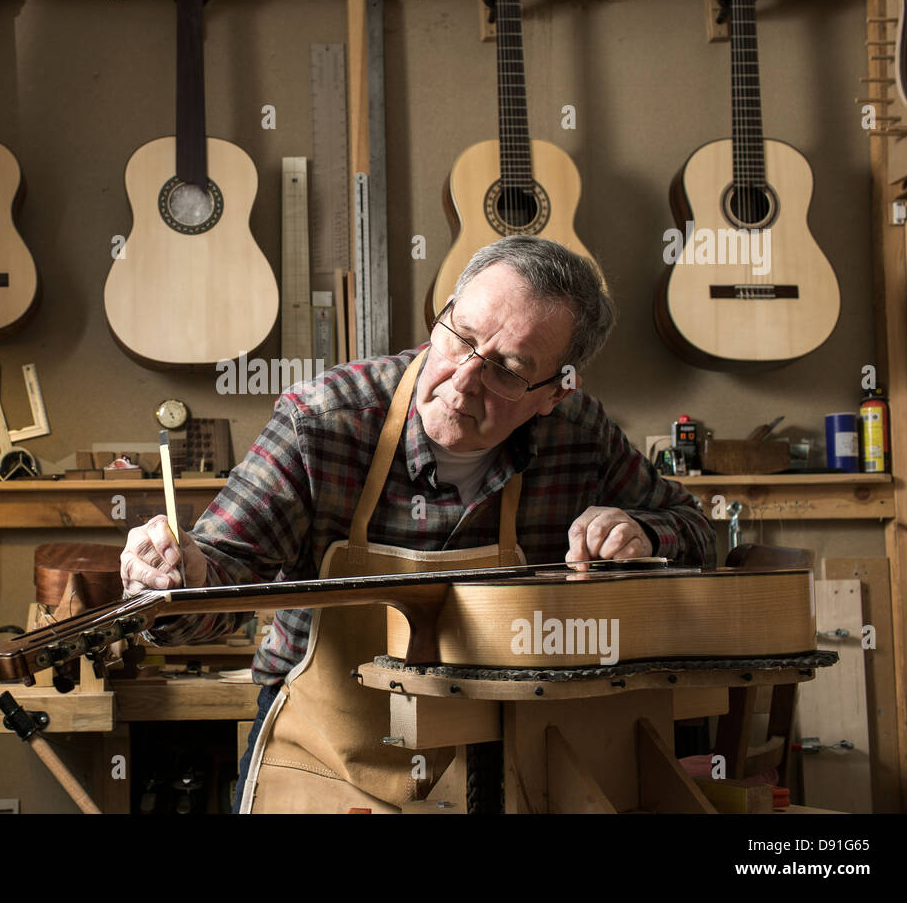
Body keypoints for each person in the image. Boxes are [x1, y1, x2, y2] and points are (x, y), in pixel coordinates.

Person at [119, 235, 715, 811]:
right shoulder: (321, 423)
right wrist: (177, 577)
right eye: (461, 338)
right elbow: (216, 585)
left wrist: (641, 532)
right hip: (326, 758)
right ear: (443, 315)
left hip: (500, 759)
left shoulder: (580, 437)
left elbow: (697, 532)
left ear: (555, 393)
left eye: (507, 369)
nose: (462, 383)